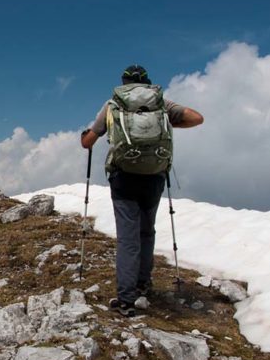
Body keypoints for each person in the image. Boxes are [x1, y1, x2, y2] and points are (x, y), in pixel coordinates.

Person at [80, 65, 203, 316]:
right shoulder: (162, 105)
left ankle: (126, 299)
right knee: (146, 232)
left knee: (128, 238)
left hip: (124, 177)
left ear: (124, 82)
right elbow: (196, 118)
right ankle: (143, 285)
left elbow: (88, 141)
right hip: (154, 176)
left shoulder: (112, 104)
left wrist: (88, 135)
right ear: (147, 82)